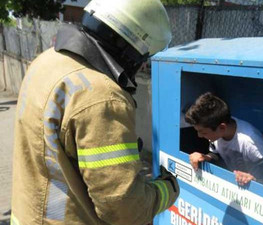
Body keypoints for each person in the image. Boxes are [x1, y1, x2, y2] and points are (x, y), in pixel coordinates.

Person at [11, 0, 179, 224]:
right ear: (131, 51)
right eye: (144, 58)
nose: (142, 66)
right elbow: (123, 209)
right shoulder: (102, 97)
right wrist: (168, 188)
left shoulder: (47, 61)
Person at [185, 92, 263, 191]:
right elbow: (217, 154)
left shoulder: (249, 141)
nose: (199, 135)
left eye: (203, 132)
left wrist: (256, 182)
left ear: (222, 127)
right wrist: (207, 157)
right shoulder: (216, 132)